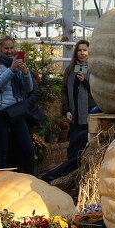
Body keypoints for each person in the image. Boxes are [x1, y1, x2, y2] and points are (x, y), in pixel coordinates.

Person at [42, 39, 96, 183]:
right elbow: (64, 91)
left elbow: (97, 92)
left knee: (84, 145)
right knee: (73, 146)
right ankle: (69, 177)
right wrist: (66, 110)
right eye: (79, 50)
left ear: (89, 52)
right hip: (74, 114)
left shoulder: (94, 69)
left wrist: (85, 81)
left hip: (90, 112)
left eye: (85, 50)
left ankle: (84, 176)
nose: (82, 53)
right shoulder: (70, 69)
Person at [0, 36, 36, 175]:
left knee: (28, 148)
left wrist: (25, 73)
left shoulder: (17, 63)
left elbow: (29, 88)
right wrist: (11, 70)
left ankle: (33, 180)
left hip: (16, 111)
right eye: (6, 48)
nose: (9, 51)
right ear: (0, 49)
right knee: (3, 149)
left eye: (11, 48)